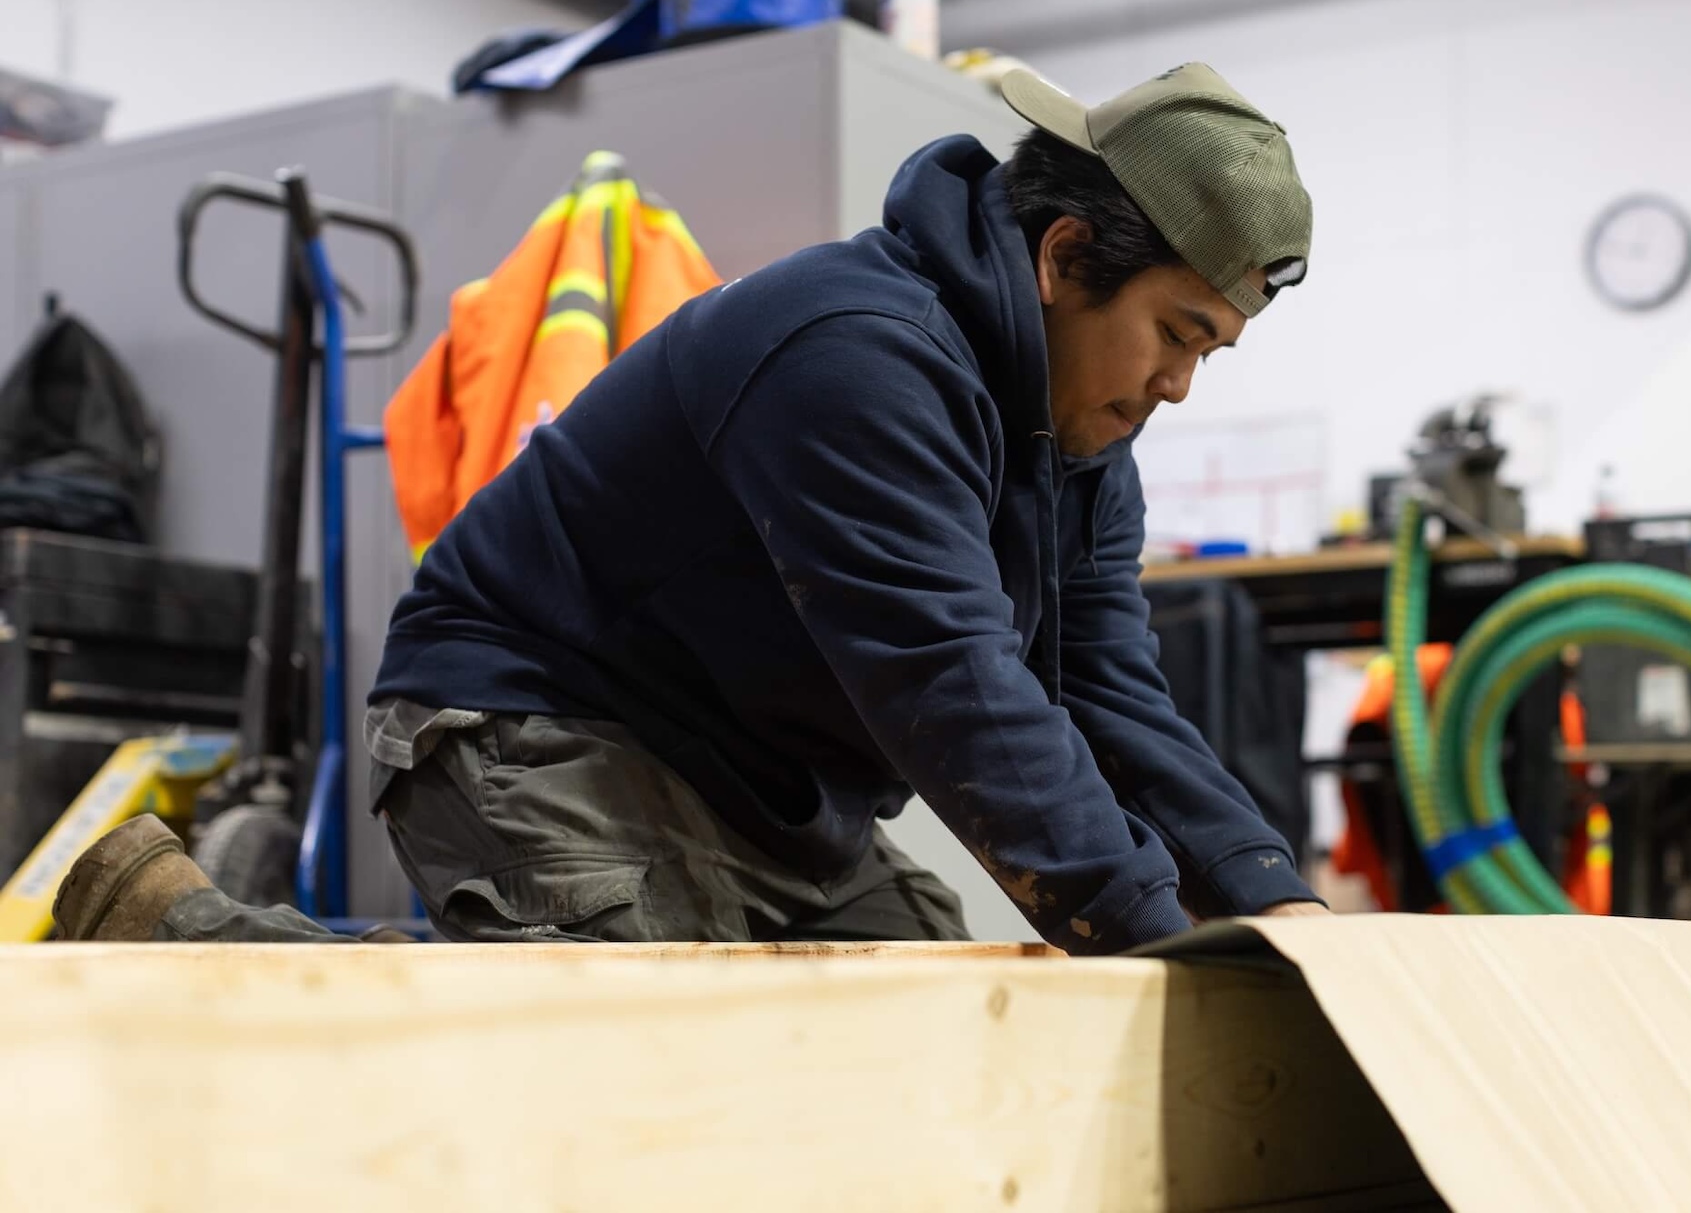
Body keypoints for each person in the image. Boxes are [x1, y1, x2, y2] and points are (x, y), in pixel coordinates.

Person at [54, 62, 1324, 953]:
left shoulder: (1081, 444)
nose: (1175, 382)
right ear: (1061, 260)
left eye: (1208, 351)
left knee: (912, 1031)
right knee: (631, 1064)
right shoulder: (851, 354)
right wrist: (1159, 938)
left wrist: (1273, 906)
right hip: (538, 722)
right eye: (1174, 331)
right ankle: (193, 945)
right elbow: (957, 684)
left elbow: (1103, 687)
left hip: (759, 783)